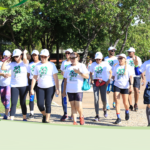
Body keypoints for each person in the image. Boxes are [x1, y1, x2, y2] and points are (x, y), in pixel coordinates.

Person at [30, 49, 59, 123]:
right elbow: (34, 77)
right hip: (40, 87)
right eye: (42, 56)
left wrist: (57, 88)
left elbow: (55, 77)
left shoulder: (51, 65)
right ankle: (44, 114)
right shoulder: (37, 65)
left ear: (48, 57)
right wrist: (31, 89)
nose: (43, 58)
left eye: (45, 57)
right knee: (40, 104)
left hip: (50, 87)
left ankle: (47, 120)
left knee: (48, 104)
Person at [1, 49, 29, 121]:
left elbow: (25, 60)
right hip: (14, 86)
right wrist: (6, 59)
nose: (16, 58)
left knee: (22, 102)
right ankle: (12, 118)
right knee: (13, 102)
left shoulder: (24, 63)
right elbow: (3, 68)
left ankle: (24, 118)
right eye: (15, 56)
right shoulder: (12, 64)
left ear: (21, 56)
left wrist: (25, 53)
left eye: (17, 56)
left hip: (23, 85)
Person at [62, 52, 89, 125]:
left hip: (78, 89)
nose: (72, 59)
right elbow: (65, 80)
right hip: (70, 89)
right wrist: (64, 91)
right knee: (72, 105)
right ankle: (74, 121)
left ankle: (81, 116)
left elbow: (87, 76)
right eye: (71, 58)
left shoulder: (81, 66)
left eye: (74, 58)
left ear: (78, 58)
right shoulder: (68, 67)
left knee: (78, 106)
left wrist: (79, 73)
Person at [90, 52, 112, 121]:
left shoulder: (105, 64)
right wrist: (91, 79)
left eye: (99, 59)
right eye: (97, 59)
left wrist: (108, 80)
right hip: (96, 82)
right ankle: (97, 115)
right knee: (96, 99)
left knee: (103, 98)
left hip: (103, 82)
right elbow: (91, 73)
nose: (98, 60)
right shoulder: (93, 64)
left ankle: (104, 109)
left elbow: (110, 72)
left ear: (102, 58)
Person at [112, 54, 133, 124]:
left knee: (125, 102)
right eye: (119, 58)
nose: (119, 60)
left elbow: (131, 77)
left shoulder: (128, 67)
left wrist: (131, 85)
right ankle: (118, 118)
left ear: (125, 59)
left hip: (125, 86)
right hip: (117, 85)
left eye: (121, 58)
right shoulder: (116, 67)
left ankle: (127, 111)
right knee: (117, 102)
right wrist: (109, 78)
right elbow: (113, 76)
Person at [126, 47, 145, 111]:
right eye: (128, 52)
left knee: (136, 90)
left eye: (130, 52)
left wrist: (143, 78)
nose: (128, 53)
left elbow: (140, 69)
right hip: (129, 76)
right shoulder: (126, 59)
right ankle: (130, 105)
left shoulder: (138, 59)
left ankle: (136, 104)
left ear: (133, 52)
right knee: (129, 90)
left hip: (136, 76)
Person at [134, 53, 150, 126]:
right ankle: (149, 123)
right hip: (149, 87)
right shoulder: (146, 63)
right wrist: (136, 65)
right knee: (149, 105)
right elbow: (137, 73)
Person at [60, 48, 73, 121]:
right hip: (64, 81)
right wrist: (63, 73)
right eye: (66, 53)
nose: (67, 54)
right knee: (63, 97)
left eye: (69, 53)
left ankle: (72, 113)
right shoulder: (64, 62)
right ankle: (65, 113)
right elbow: (62, 72)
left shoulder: (73, 62)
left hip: (71, 82)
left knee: (71, 98)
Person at [27, 50, 40, 119]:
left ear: (38, 55)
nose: (34, 56)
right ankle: (31, 113)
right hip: (31, 83)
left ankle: (42, 111)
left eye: (36, 55)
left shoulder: (41, 63)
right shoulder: (30, 64)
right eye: (33, 55)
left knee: (39, 99)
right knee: (31, 98)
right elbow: (28, 74)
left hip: (39, 83)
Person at [0, 50, 11, 119]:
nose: (6, 57)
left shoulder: (11, 64)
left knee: (7, 98)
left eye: (7, 56)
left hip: (8, 84)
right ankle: (8, 109)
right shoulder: (0, 63)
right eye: (5, 56)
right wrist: (3, 74)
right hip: (1, 83)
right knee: (2, 100)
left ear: (10, 56)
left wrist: (8, 75)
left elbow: (13, 73)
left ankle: (6, 114)